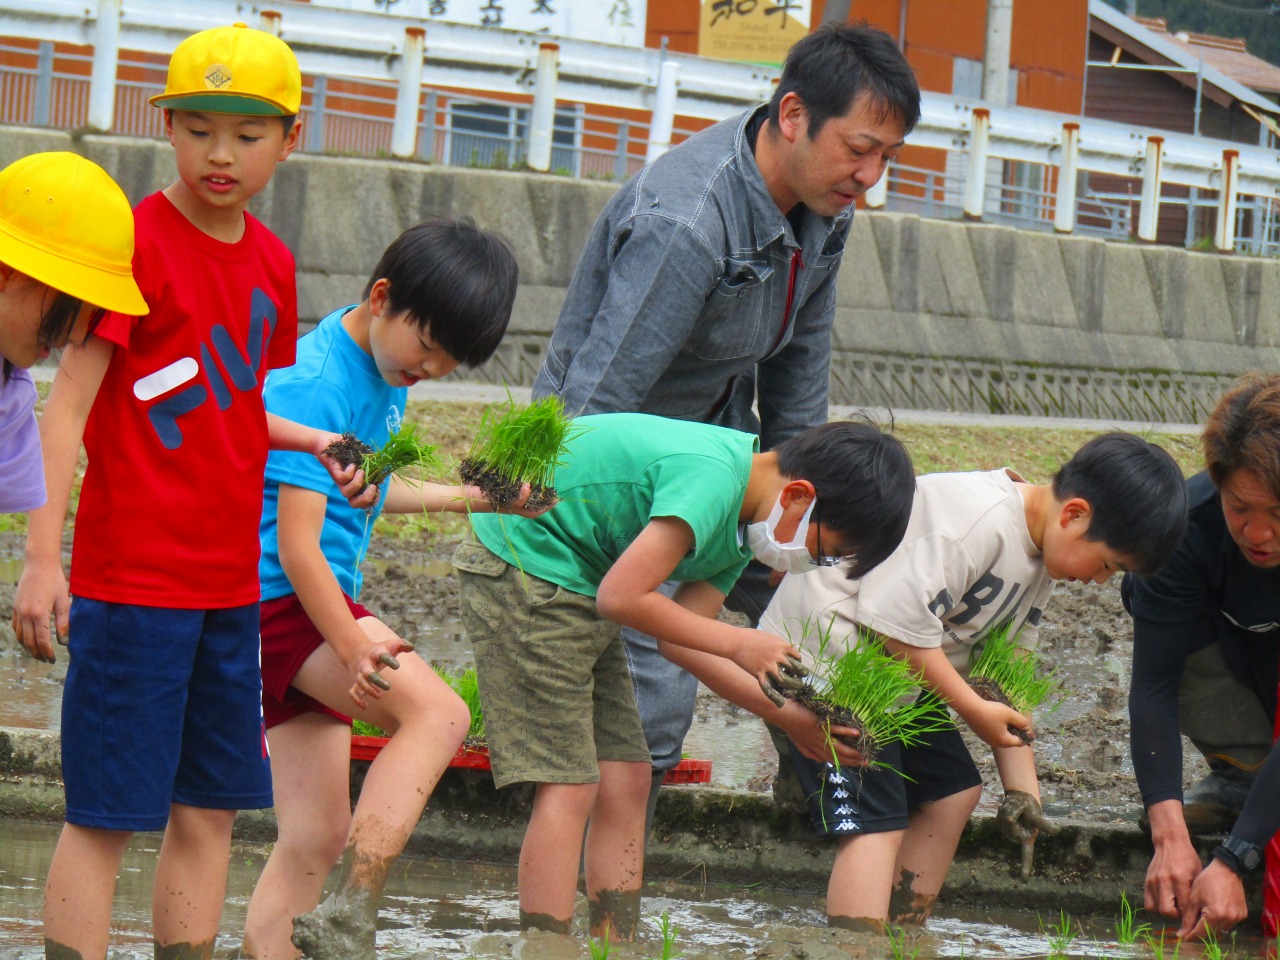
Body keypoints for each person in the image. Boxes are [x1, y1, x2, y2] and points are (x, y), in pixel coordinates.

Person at [10, 24, 372, 960]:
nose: (221, 153)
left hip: (230, 590)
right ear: (163, 124)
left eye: (248, 135)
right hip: (133, 586)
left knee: (211, 809)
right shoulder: (129, 243)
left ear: (291, 140)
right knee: (105, 814)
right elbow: (67, 412)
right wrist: (43, 560)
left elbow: (233, 403)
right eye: (199, 128)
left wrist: (315, 440)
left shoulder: (273, 263)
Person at [531, 21, 921, 818]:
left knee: (815, 597)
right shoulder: (689, 224)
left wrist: (795, 512)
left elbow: (798, 375)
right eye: (858, 148)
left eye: (888, 157)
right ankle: (614, 850)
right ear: (791, 116)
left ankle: (819, 784)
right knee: (654, 686)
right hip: (643, 475)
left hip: (732, 456)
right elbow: (600, 401)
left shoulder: (826, 208)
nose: (870, 176)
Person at [664, 433, 1187, 929]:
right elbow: (900, 629)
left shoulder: (1041, 559)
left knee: (956, 792)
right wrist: (971, 709)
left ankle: (902, 932)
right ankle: (854, 943)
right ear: (1075, 515)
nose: (1098, 581)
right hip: (829, 668)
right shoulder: (972, 520)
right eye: (1107, 566)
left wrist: (1022, 788)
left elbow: (1003, 676)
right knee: (877, 827)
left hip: (895, 683)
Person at [452, 415, 915, 940]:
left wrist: (795, 721)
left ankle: (615, 940)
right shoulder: (713, 480)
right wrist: (740, 640)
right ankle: (546, 946)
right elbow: (623, 599)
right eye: (823, 549)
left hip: (577, 581)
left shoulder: (742, 529)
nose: (808, 564)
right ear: (799, 496)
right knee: (570, 783)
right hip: (523, 564)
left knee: (626, 774)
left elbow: (680, 640)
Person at [242, 218, 549, 960]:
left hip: (299, 608)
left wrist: (483, 498)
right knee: (438, 715)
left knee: (314, 834)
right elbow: (298, 548)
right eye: (429, 348)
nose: (433, 369)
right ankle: (358, 904)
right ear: (382, 297)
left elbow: (372, 495)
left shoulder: (381, 372)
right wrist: (352, 646)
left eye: (452, 361)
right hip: (283, 604)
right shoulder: (319, 384)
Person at [1125, 373, 1280, 941]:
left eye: (1278, 515)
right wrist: (1169, 837)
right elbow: (1154, 687)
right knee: (1142, 591)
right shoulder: (1188, 526)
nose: (1257, 532)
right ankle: (1242, 773)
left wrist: (1236, 857)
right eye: (1241, 507)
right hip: (1242, 667)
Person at [0, 151, 147, 523]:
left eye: (95, 316)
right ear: (6, 272)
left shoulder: (12, 396)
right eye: (72, 308)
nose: (76, 335)